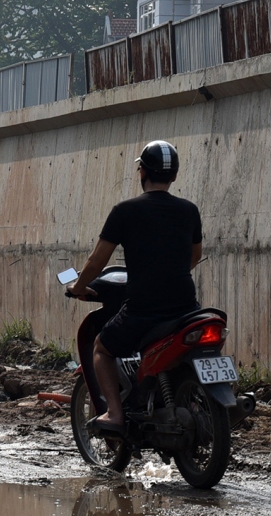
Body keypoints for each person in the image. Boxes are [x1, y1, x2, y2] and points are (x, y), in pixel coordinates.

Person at [69, 140, 203, 432]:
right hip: (186, 308)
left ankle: (115, 414)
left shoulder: (125, 211)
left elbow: (96, 261)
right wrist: (170, 272)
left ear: (141, 172)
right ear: (175, 176)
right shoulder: (189, 210)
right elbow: (195, 256)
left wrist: (79, 286)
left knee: (102, 349)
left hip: (145, 309)